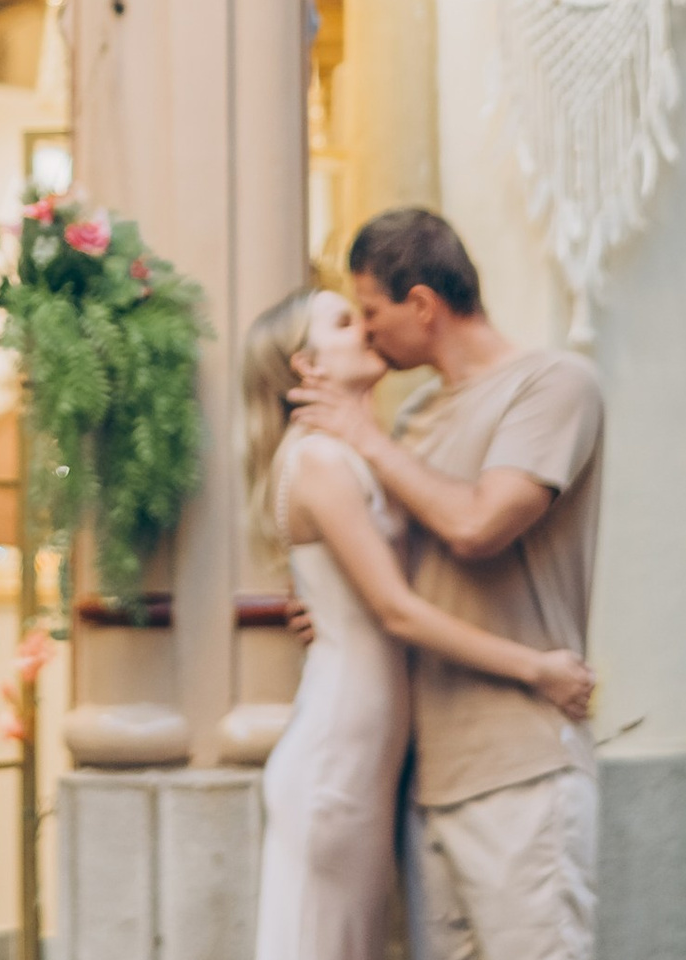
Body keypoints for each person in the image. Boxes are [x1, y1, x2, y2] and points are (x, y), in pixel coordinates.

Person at [245, 285, 596, 960]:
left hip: (378, 751)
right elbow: (397, 611)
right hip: (338, 752)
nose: (367, 332)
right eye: (346, 323)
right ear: (305, 367)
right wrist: (537, 668)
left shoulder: (360, 448)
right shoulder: (319, 458)